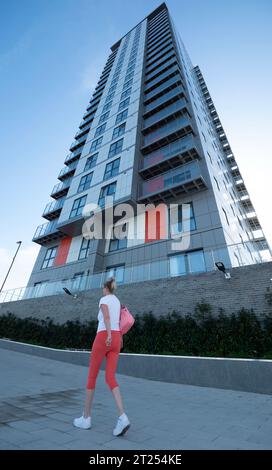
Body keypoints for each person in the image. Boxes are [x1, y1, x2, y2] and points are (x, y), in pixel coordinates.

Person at [73, 277, 130, 437]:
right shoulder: (118, 301)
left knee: (92, 377)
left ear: (106, 288)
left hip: (105, 337)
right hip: (117, 339)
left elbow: (106, 318)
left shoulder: (104, 299)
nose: (102, 290)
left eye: (103, 288)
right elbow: (119, 321)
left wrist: (109, 335)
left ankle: (86, 418)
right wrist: (116, 337)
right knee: (110, 377)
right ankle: (122, 417)